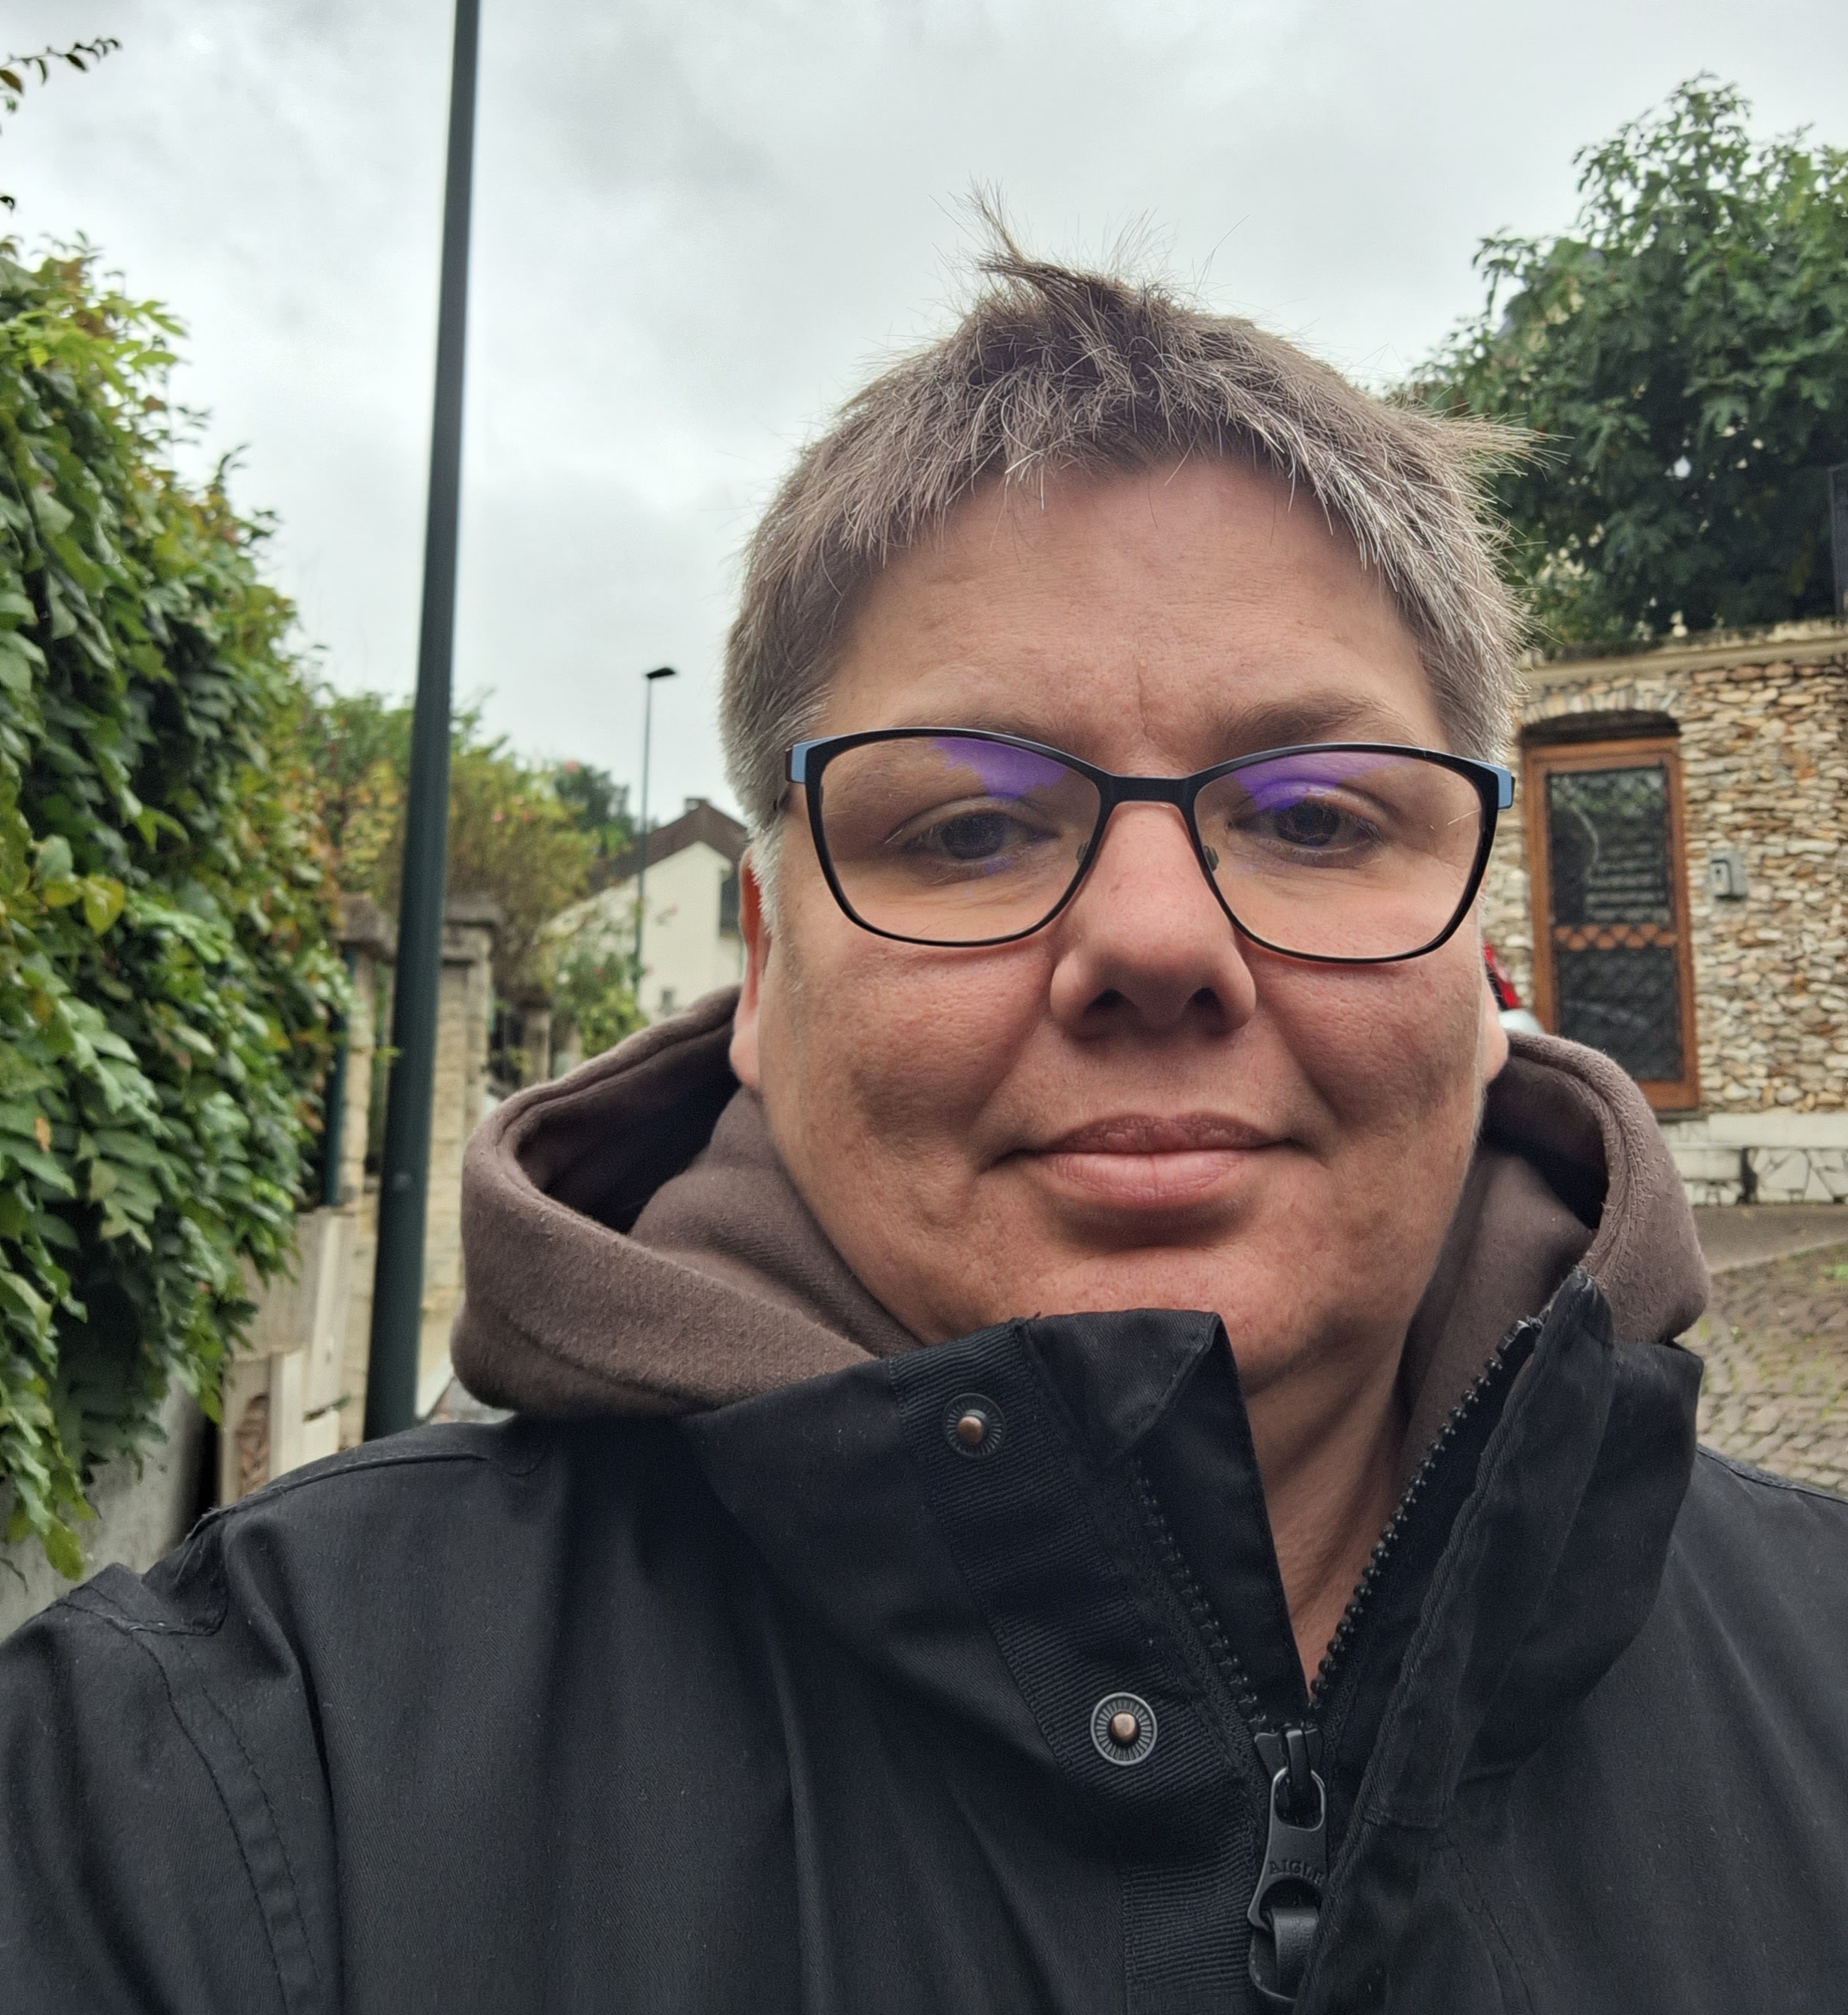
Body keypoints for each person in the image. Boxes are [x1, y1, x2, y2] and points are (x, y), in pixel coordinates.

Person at [2, 239, 1843, 2014]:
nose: (1155, 944)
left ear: (1472, 942)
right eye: (968, 830)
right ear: (766, 961)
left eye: (1314, 819)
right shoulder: (206, 1795)